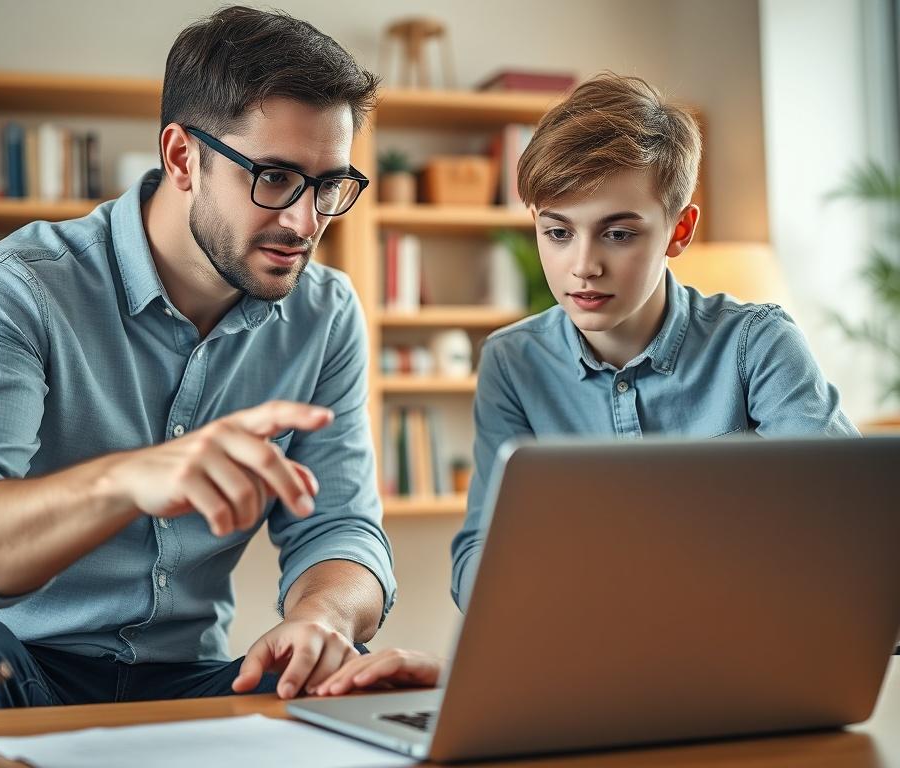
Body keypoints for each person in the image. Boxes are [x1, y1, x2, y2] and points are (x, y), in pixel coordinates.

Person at [0, 6, 396, 708]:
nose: (305, 222)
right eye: (274, 178)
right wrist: (127, 480)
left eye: (328, 185)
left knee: (339, 675)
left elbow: (338, 527)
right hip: (12, 661)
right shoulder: (15, 287)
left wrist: (323, 618)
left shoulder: (326, 314)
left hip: (183, 675)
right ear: (183, 157)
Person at [312, 71, 860, 694]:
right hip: (582, 678)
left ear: (679, 231)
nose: (584, 265)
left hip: (751, 675)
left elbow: (848, 531)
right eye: (557, 231)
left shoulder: (755, 344)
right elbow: (479, 560)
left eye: (619, 233)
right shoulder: (512, 362)